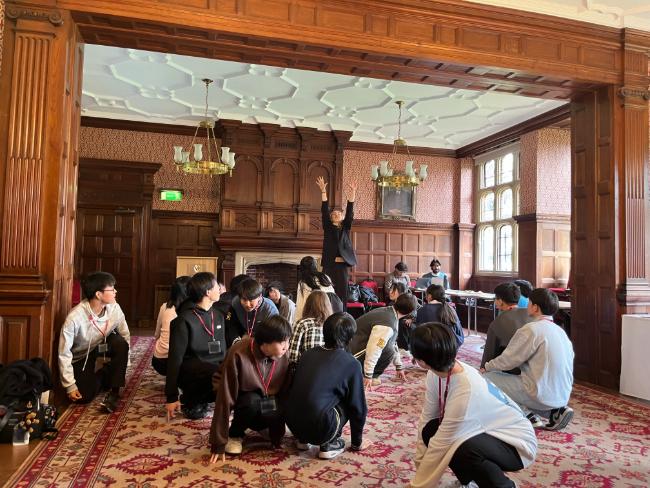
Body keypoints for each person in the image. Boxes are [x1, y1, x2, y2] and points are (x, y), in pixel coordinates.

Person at [410, 323, 537, 488]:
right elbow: (428, 417)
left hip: (517, 444)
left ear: (421, 361)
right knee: (431, 429)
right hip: (489, 432)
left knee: (461, 446)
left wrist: (418, 485)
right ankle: (471, 483)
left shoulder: (465, 389)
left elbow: (441, 443)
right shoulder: (436, 373)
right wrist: (419, 462)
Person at [483, 288, 575, 430]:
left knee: (487, 378)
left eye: (529, 303)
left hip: (539, 392)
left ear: (535, 307)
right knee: (529, 386)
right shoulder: (560, 332)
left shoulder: (532, 329)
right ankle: (556, 411)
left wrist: (487, 367)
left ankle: (527, 415)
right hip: (562, 393)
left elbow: (508, 361)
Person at [209, 315, 292, 461]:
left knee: (277, 405)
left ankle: (261, 426)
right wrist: (218, 443)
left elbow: (283, 396)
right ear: (265, 341)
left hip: (264, 399)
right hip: (241, 397)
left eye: (288, 341)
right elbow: (225, 397)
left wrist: (276, 435)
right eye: (282, 342)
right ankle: (235, 434)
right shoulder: (239, 351)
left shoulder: (283, 355)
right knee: (252, 401)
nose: (287, 346)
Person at [286, 312, 368, 459]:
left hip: (293, 425)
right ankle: (329, 444)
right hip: (321, 428)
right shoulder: (351, 363)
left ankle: (303, 440)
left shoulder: (308, 354)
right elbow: (358, 408)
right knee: (349, 398)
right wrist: (357, 442)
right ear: (350, 338)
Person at [58, 271, 130, 413]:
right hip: (82, 354)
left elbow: (125, 334)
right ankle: (105, 373)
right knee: (84, 396)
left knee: (120, 343)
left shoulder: (114, 307)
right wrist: (70, 385)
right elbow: (64, 352)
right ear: (98, 294)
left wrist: (123, 365)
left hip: (103, 344)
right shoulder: (75, 317)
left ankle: (114, 392)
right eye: (112, 289)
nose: (115, 291)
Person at [165, 272, 227, 420]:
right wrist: (171, 396)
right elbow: (175, 360)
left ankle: (207, 397)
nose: (220, 289)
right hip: (193, 371)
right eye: (216, 286)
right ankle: (191, 398)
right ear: (207, 292)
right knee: (196, 412)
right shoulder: (183, 320)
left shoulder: (218, 315)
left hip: (215, 367)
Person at [349, 293, 417, 389]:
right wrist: (368, 374)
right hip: (351, 356)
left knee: (389, 346)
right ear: (410, 312)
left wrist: (399, 366)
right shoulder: (387, 324)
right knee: (389, 351)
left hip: (350, 350)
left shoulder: (389, 313)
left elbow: (393, 342)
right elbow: (374, 349)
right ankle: (366, 375)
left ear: (396, 301)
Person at [317, 176, 357, 310]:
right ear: (330, 217)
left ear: (342, 217)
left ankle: (342, 313)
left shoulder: (345, 227)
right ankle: (327, 312)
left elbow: (350, 211)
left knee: (342, 292)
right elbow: (324, 210)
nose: (336, 214)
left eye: (338, 213)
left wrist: (352, 193)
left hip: (342, 266)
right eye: (333, 213)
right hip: (330, 264)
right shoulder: (328, 227)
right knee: (327, 290)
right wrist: (323, 191)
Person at [481, 282, 531, 370]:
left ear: (500, 301)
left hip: (513, 370)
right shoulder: (531, 316)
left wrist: (483, 368)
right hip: (533, 367)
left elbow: (489, 353)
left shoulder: (498, 323)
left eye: (495, 298)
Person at [152, 275, 191, 376]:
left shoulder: (164, 306)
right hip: (172, 361)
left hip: (158, 359)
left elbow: (157, 334)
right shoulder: (188, 311)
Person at [287, 290, 333, 365]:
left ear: (308, 305)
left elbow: (293, 355)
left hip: (306, 368)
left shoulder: (302, 324)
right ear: (328, 306)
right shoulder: (332, 325)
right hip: (328, 367)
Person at [295, 255, 338, 322]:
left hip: (314, 316)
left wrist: (297, 321)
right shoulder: (325, 277)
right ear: (315, 266)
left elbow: (300, 305)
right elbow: (333, 295)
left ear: (302, 269)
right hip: (330, 312)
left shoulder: (303, 283)